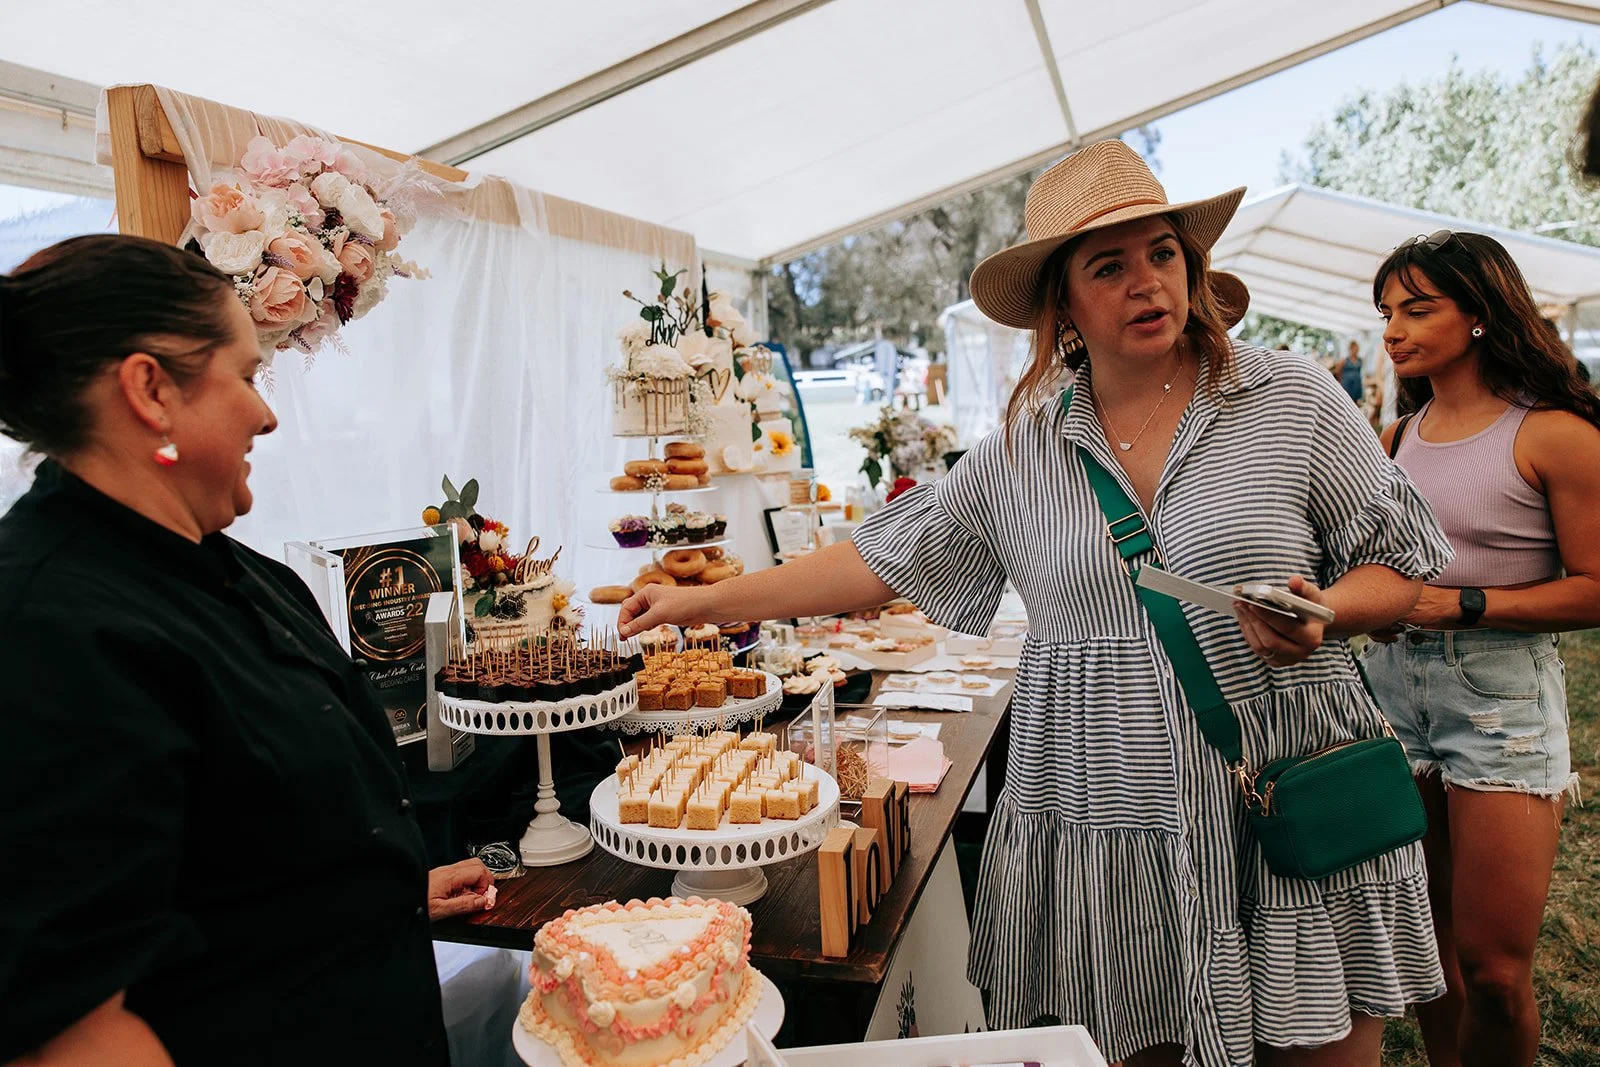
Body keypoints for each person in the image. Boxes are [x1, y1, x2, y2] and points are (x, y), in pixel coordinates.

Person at [620, 140, 1454, 1066]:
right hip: (1103, 806)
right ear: (1063, 302)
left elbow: (1402, 561)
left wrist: (1329, 610)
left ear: (1193, 264)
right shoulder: (1024, 445)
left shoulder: (1288, 397)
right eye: (1110, 266)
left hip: (1278, 777)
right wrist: (701, 601)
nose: (1147, 284)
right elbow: (879, 558)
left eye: (1162, 254)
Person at [0, 235, 492, 1066]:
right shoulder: (47, 629)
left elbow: (226, 848)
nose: (266, 413)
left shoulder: (246, 572)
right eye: (246, 375)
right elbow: (69, 1027)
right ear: (150, 389)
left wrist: (384, 890)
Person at [1364, 229, 1600, 1067]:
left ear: (1479, 315)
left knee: (1495, 971)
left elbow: (1597, 585)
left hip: (1499, 697)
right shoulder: (1394, 440)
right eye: (1387, 310)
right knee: (1429, 952)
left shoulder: (1554, 434)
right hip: (1392, 694)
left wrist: (1458, 602)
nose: (1393, 327)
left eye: (1417, 308)